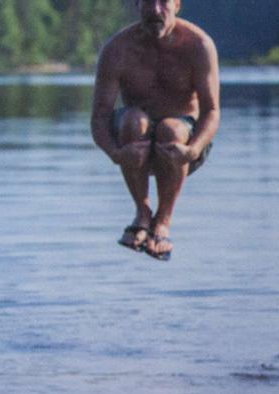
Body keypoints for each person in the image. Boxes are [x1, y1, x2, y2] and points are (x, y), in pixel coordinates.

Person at [91, 0, 220, 261]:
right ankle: (142, 212)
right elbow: (100, 117)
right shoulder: (118, 49)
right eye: (148, 2)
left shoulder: (198, 45)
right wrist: (115, 154)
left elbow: (211, 111)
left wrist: (192, 150)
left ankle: (163, 221)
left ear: (177, 4)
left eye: (163, 2)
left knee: (170, 129)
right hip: (134, 146)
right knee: (132, 121)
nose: (155, 10)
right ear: (137, 5)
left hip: (183, 145)